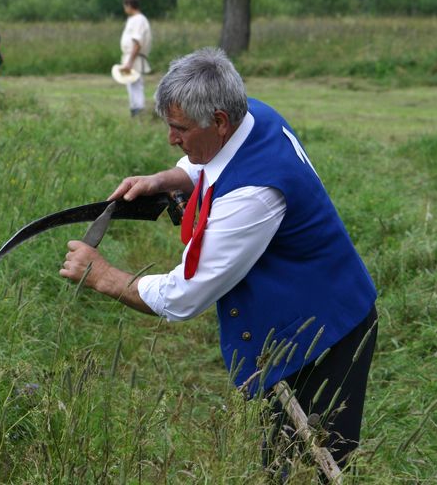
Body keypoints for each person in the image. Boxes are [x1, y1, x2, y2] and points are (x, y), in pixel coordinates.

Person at [60, 48, 377, 473]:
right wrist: (168, 178)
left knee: (317, 466)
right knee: (280, 465)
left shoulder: (254, 195)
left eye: (179, 129)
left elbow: (184, 296)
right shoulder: (253, 115)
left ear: (220, 120)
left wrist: (102, 276)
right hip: (305, 316)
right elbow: (217, 161)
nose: (171, 139)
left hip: (327, 336)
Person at [119, 0, 152, 117]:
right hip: (130, 57)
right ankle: (134, 111)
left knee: (136, 85)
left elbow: (137, 43)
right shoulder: (133, 19)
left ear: (129, 5)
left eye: (125, 6)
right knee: (131, 85)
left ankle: (139, 113)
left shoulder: (139, 19)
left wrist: (130, 62)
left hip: (135, 57)